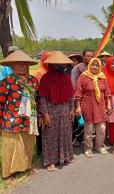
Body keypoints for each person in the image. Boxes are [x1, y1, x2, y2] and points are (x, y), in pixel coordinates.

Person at [0, 50, 39, 179]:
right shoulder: (7, 81)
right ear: (11, 66)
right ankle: (8, 173)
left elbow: (37, 99)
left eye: (24, 64)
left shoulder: (33, 81)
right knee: (11, 145)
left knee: (28, 144)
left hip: (29, 119)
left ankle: (26, 166)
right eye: (18, 64)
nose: (22, 66)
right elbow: (0, 102)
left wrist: (39, 116)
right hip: (11, 119)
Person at [39, 51, 75, 171]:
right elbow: (42, 97)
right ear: (52, 65)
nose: (63, 66)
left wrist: (71, 109)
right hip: (51, 110)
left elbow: (71, 95)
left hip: (64, 109)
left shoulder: (66, 77)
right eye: (60, 64)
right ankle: (51, 161)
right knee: (50, 136)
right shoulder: (45, 78)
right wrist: (45, 114)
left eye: (64, 64)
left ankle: (66, 156)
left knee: (66, 133)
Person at [75, 58, 112, 158]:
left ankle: (98, 146)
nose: (95, 67)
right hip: (88, 106)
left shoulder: (102, 77)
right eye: (93, 65)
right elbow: (78, 93)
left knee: (101, 129)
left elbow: (107, 93)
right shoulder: (83, 76)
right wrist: (78, 107)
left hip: (100, 107)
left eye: (97, 65)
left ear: (100, 66)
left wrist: (108, 105)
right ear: (89, 65)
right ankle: (88, 148)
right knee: (89, 130)